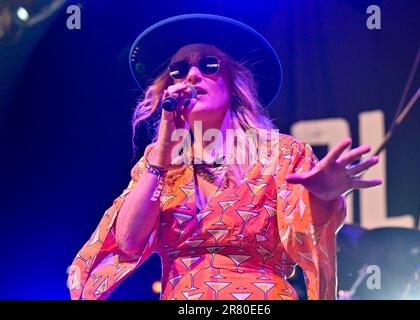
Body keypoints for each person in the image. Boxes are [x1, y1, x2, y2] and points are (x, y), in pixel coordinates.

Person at [67, 14, 382, 300]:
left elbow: (304, 235)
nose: (191, 75)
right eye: (178, 70)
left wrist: (322, 198)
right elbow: (128, 241)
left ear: (234, 81)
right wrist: (162, 151)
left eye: (208, 65)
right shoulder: (159, 163)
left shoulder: (281, 153)